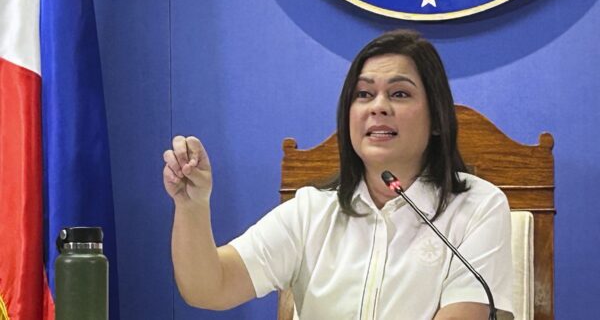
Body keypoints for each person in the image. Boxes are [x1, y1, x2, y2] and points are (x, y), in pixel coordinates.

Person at [162, 29, 513, 319]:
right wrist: (193, 206)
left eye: (399, 93)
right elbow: (209, 287)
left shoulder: (477, 207)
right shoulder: (311, 212)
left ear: (437, 118)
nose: (378, 106)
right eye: (363, 94)